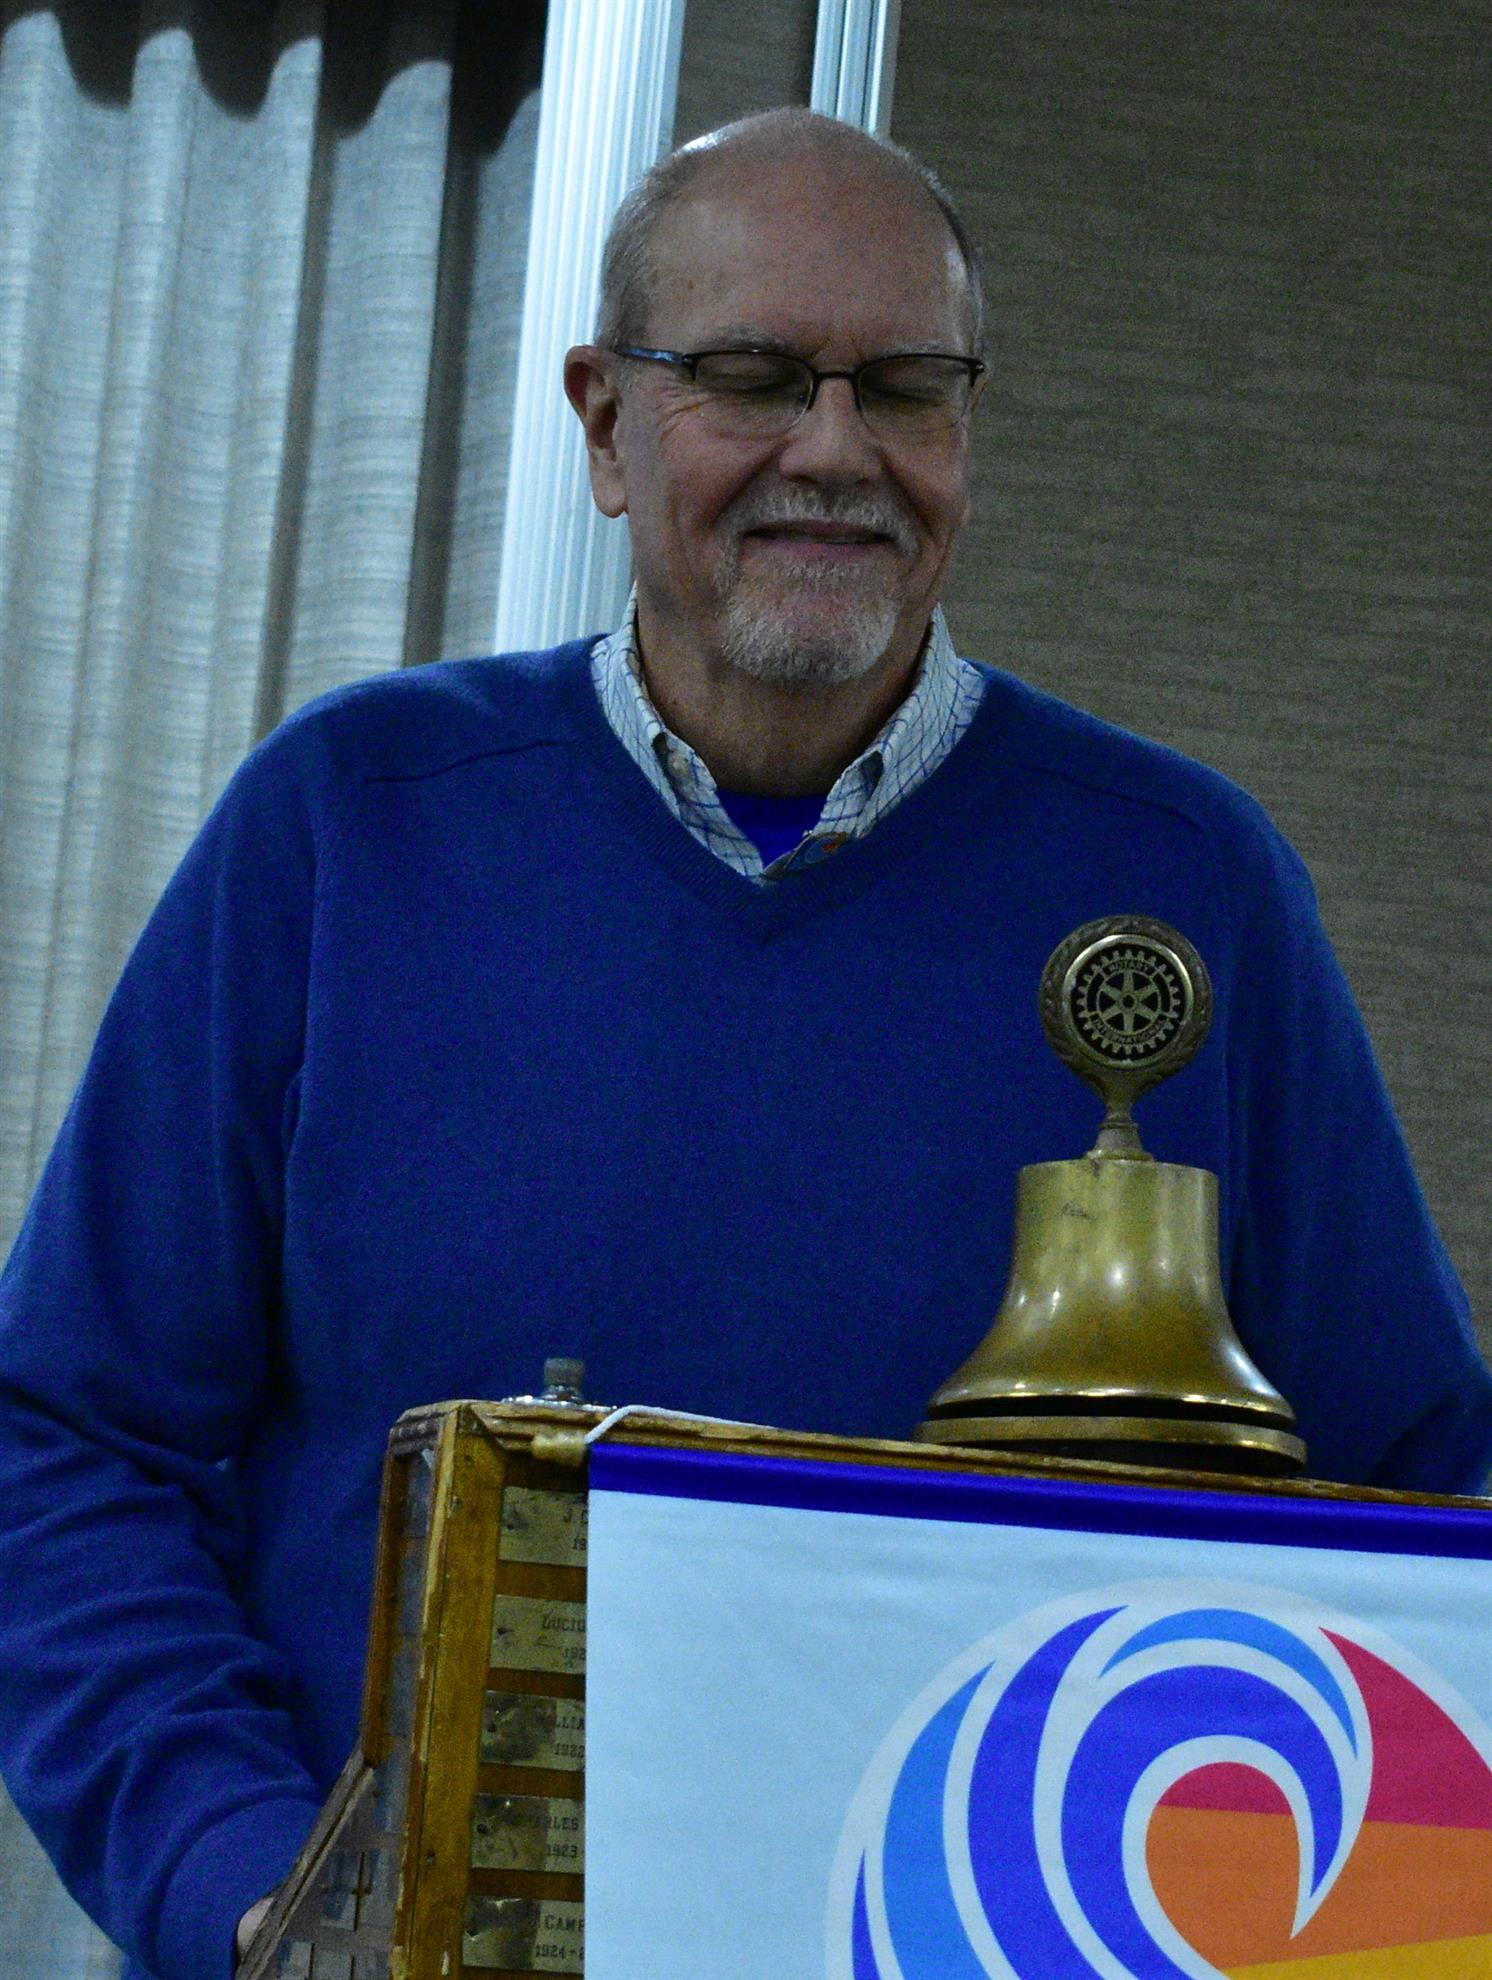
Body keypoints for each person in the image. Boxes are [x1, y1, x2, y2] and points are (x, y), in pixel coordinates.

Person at [0, 108, 1488, 1980]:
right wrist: (247, 1884)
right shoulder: (344, 828)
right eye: (756, 378)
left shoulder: (1192, 891)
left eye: (907, 388)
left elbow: (1422, 1510)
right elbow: (66, 1442)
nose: (836, 450)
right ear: (604, 424)